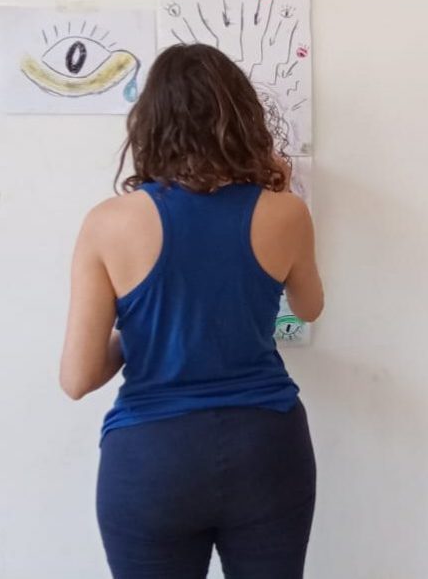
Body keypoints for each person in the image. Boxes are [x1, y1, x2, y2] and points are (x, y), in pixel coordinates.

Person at [58, 44, 324, 579]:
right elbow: (310, 307)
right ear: (243, 118)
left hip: (153, 462)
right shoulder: (286, 212)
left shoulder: (108, 223)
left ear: (149, 123)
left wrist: (145, 328)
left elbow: (78, 378)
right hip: (267, 449)